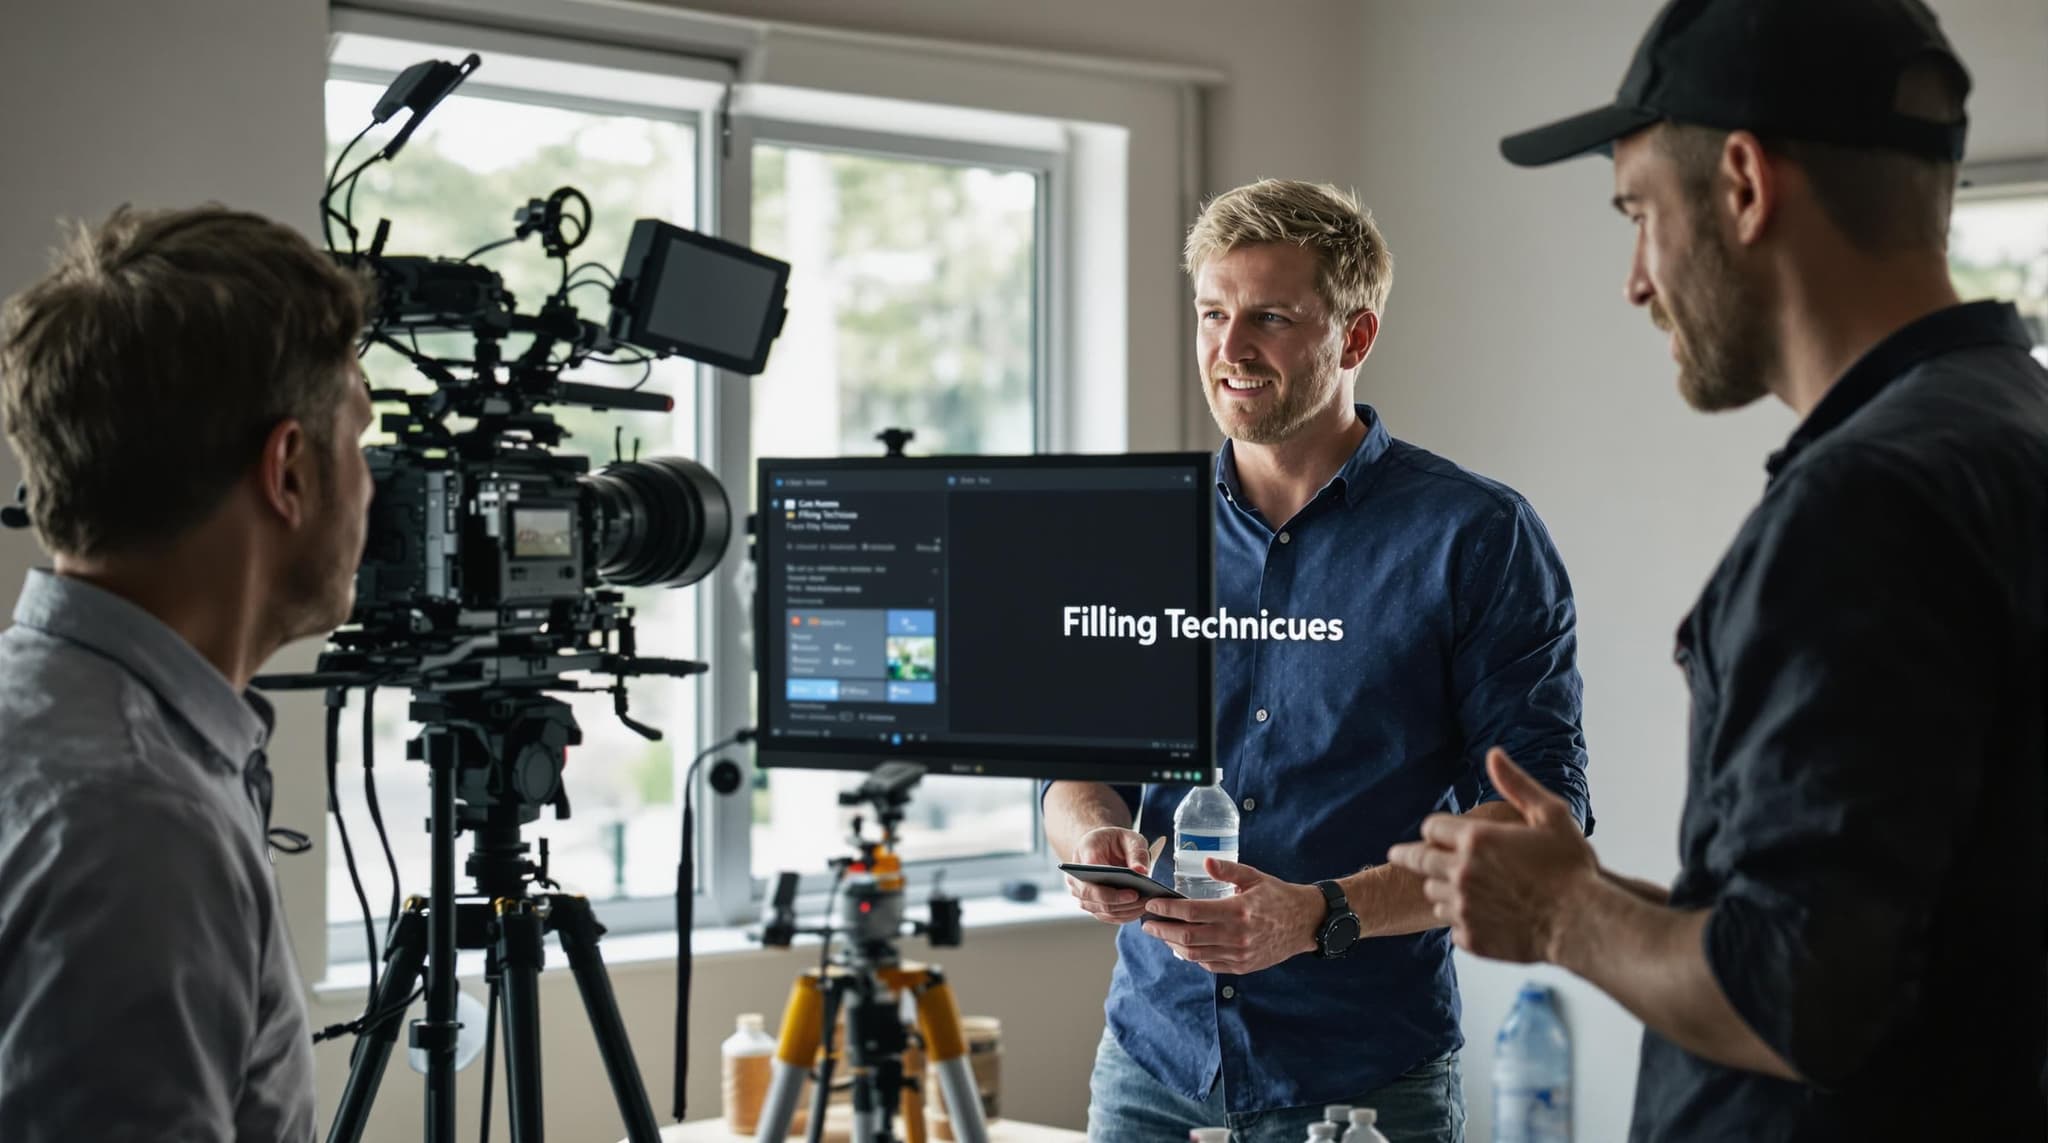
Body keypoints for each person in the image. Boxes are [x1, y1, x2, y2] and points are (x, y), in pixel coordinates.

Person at [1389, 0, 2048, 1138]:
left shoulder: (1859, 505)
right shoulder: (2011, 427)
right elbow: (1899, 935)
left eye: (1638, 212)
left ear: (1741, 185)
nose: (1635, 282)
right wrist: (1582, 898)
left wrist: (1560, 920)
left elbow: (1797, 998)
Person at [1044, 179, 1594, 1143]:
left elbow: (1536, 818)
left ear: (1356, 336)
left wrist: (1317, 914)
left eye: (1270, 317)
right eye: (1214, 313)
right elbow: (1076, 762)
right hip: (1150, 1070)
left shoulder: (1475, 535)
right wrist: (1090, 834)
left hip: (1365, 1076)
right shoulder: (1139, 530)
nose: (1230, 347)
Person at [0, 204, 375, 1140]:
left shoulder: (53, 729)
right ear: (287, 470)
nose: (373, 485)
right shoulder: (139, 823)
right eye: (360, 441)